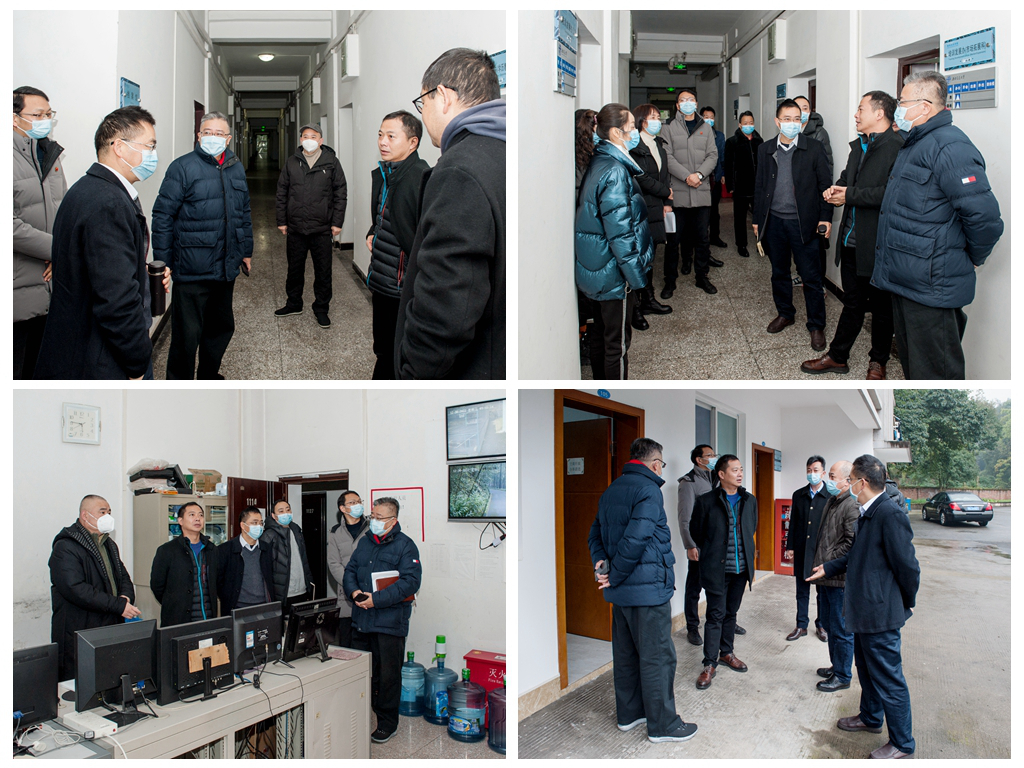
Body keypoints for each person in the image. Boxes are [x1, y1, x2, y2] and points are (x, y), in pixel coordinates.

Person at [872, 70, 1004, 379]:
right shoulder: (914, 143)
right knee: (914, 368)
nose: (898, 109)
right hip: (907, 279)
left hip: (931, 285)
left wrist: (971, 257)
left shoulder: (950, 147)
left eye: (902, 102)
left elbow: (985, 218)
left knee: (935, 374)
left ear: (924, 107)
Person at [34, 106, 169, 380]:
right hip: (102, 358)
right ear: (119, 147)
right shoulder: (109, 204)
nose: (153, 154)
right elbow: (116, 301)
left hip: (78, 347)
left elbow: (95, 267)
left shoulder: (86, 189)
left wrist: (139, 273)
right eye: (149, 146)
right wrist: (136, 364)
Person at [395, 48, 505, 379]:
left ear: (443, 97)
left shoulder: (459, 171)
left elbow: (447, 307)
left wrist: (413, 377)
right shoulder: (504, 150)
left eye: (423, 102)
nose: (423, 113)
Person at [809, 454, 921, 759]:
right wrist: (829, 567)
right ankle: (870, 718)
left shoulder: (889, 514)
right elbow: (857, 554)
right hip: (863, 610)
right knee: (867, 670)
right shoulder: (867, 511)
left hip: (880, 613)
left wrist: (905, 602)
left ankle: (902, 743)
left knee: (888, 678)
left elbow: (908, 567)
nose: (847, 485)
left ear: (862, 482)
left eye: (850, 480)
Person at [588, 438, 698, 743]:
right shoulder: (649, 490)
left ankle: (630, 715)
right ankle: (663, 725)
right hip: (647, 592)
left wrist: (603, 567)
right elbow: (636, 540)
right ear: (655, 464)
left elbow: (594, 533)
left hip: (622, 595)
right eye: (661, 464)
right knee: (658, 658)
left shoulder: (613, 489)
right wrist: (614, 574)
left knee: (626, 655)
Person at [802, 91, 903, 380]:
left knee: (882, 308)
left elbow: (891, 194)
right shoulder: (859, 146)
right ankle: (838, 357)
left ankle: (878, 362)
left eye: (861, 109)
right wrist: (837, 189)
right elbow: (848, 178)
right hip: (850, 241)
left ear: (879, 113)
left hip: (879, 244)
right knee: (853, 303)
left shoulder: (898, 148)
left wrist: (850, 195)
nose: (856, 115)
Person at [153, 111, 252, 380]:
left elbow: (243, 212)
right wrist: (163, 263)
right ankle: (180, 386)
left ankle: (208, 376)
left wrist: (246, 251)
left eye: (219, 134)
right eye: (208, 132)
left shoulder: (236, 167)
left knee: (220, 329)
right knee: (186, 336)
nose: (213, 137)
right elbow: (163, 216)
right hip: (192, 268)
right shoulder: (182, 167)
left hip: (226, 267)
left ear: (228, 139)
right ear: (199, 136)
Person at [575, 103, 653, 380]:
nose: (635, 132)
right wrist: (636, 279)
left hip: (597, 269)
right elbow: (620, 233)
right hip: (614, 274)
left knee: (599, 335)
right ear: (617, 133)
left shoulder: (599, 160)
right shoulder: (615, 171)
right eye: (631, 127)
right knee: (616, 345)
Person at [752, 99, 834, 351]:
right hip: (774, 222)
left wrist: (825, 217)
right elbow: (760, 186)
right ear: (777, 122)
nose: (792, 123)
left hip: (804, 223)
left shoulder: (814, 148)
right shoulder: (765, 149)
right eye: (787, 119)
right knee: (779, 272)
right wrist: (757, 220)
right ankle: (785, 313)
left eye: (796, 119)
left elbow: (825, 186)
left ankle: (816, 325)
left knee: (811, 276)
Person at [343, 498, 422, 743]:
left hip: (390, 623)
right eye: (372, 516)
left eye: (379, 518)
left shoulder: (405, 546)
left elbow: (410, 583)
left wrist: (375, 600)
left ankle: (387, 723)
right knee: (364, 674)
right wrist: (354, 592)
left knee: (388, 677)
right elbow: (350, 571)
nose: (373, 521)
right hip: (362, 620)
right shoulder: (365, 542)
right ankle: (360, 716)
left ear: (393, 520)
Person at [364, 112, 430, 378]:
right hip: (382, 279)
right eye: (381, 135)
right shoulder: (386, 173)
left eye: (391, 136)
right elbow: (386, 216)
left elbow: (424, 237)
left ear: (413, 142)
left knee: (397, 354)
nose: (383, 141)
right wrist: (373, 231)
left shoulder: (421, 178)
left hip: (402, 287)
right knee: (383, 347)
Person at [49, 496, 139, 681]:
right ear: (85, 515)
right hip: (80, 628)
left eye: (109, 512)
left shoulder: (109, 544)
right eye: (102, 512)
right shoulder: (66, 546)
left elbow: (123, 576)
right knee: (81, 683)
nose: (108, 516)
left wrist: (125, 598)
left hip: (109, 623)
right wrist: (118, 605)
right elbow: (75, 589)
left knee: (109, 677)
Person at [689, 454, 757, 689]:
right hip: (717, 569)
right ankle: (709, 663)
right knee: (715, 615)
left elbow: (751, 528)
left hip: (741, 569)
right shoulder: (706, 501)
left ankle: (726, 653)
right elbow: (697, 532)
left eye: (741, 469)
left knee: (731, 613)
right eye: (735, 470)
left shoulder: (749, 500)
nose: (740, 474)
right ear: (721, 474)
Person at [14, 85, 66, 379]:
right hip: (17, 289)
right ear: (13, 117)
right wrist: (56, 249)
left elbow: (65, 209)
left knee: (41, 371)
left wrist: (59, 254)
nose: (45, 120)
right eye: (37, 115)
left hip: (50, 287)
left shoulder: (49, 153)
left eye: (49, 114)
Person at [275, 122, 347, 329]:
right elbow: (282, 192)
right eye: (305, 136)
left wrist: (337, 222)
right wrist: (282, 220)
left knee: (323, 271)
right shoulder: (292, 162)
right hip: (296, 227)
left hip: (322, 228)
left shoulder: (331, 162)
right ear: (300, 140)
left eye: (313, 136)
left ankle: (321, 308)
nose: (309, 140)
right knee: (294, 269)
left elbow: (340, 193)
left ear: (321, 140)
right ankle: (294, 303)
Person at [676, 445, 748, 649]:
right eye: (710, 455)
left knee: (721, 590)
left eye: (715, 455)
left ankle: (726, 621)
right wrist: (690, 545)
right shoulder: (689, 482)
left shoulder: (717, 478)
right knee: (694, 586)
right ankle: (692, 626)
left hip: (719, 549)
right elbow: (685, 519)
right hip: (700, 547)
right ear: (699, 460)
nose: (714, 458)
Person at [663, 88, 720, 295]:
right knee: (673, 240)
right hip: (677, 193)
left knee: (702, 239)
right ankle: (670, 281)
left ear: (696, 104)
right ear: (677, 105)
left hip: (701, 191)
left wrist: (699, 175)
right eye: (683, 100)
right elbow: (667, 156)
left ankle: (701, 277)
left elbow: (713, 155)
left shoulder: (705, 126)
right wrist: (687, 176)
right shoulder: (668, 127)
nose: (687, 103)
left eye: (691, 99)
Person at [811, 461, 859, 692]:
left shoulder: (851, 505)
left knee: (841, 630)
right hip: (826, 575)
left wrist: (829, 562)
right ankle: (836, 666)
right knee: (830, 625)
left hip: (839, 577)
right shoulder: (833, 501)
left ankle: (843, 675)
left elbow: (851, 544)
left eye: (832, 476)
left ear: (847, 481)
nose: (827, 480)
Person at [628, 103, 673, 330]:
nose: (657, 121)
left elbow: (665, 176)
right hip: (642, 208)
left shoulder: (659, 144)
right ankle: (636, 307)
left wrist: (668, 202)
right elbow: (641, 177)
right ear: (641, 121)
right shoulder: (634, 147)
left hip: (657, 207)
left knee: (650, 256)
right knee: (638, 258)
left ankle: (649, 299)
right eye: (652, 117)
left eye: (658, 116)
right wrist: (665, 192)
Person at [150, 502, 220, 627]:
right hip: (179, 621)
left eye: (201, 515)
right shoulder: (167, 551)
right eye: (192, 515)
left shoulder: (211, 549)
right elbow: (157, 586)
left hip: (208, 619)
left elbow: (218, 582)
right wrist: (175, 603)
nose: (197, 518)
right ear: (180, 521)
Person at [785, 456, 829, 643]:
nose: (812, 474)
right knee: (801, 590)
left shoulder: (831, 495)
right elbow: (793, 522)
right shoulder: (799, 495)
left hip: (822, 551)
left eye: (816, 470)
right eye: (809, 470)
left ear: (823, 472)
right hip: (802, 549)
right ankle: (801, 625)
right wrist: (790, 546)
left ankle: (822, 625)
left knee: (822, 591)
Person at [327, 490, 369, 648]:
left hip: (369, 592)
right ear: (342, 508)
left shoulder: (371, 528)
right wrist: (351, 584)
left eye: (359, 502)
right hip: (346, 594)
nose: (357, 505)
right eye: (352, 502)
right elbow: (333, 563)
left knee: (367, 643)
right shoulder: (335, 532)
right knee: (347, 642)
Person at [218, 505, 274, 615]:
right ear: (243, 525)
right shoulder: (225, 550)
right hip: (238, 608)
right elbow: (219, 581)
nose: (259, 526)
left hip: (264, 606)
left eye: (261, 523)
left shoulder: (266, 548)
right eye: (254, 523)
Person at [723, 111, 763, 259]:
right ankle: (741, 244)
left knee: (760, 215)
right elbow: (729, 165)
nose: (748, 125)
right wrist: (730, 186)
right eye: (745, 123)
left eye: (751, 123)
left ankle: (761, 241)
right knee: (740, 218)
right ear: (740, 125)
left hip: (757, 186)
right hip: (740, 187)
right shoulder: (732, 142)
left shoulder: (759, 141)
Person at [263, 499, 313, 611]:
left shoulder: (296, 531)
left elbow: (304, 560)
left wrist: (309, 583)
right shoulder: (268, 535)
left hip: (302, 590)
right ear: (274, 516)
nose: (286, 513)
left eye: (288, 510)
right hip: (283, 594)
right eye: (281, 511)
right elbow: (265, 568)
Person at [700, 106, 727, 249]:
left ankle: (715, 237)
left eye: (711, 117)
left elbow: (722, 156)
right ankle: (701, 239)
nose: (709, 120)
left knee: (714, 211)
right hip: (700, 179)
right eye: (706, 117)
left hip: (715, 178)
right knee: (701, 212)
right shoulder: (696, 135)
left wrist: (722, 174)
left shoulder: (719, 136)